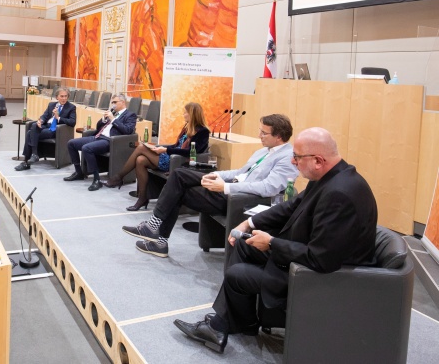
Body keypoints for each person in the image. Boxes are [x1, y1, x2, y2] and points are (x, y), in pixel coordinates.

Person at [173, 127, 378, 354]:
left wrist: (271, 243)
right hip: (305, 259)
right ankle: (241, 321)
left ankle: (219, 326)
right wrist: (249, 224)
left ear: (318, 160)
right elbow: (290, 207)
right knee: (243, 242)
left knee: (236, 274)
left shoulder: (340, 194)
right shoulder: (328, 177)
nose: (292, 161)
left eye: (298, 157)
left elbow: (320, 259)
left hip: (318, 278)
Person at [122, 114, 298, 258]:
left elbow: (268, 188)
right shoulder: (263, 151)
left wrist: (226, 187)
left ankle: (155, 229)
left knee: (179, 179)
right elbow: (240, 172)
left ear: (279, 137)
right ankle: (158, 239)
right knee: (178, 184)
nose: (260, 136)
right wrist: (216, 175)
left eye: (264, 133)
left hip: (239, 199)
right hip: (229, 187)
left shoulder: (287, 158)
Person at [107, 102, 210, 210]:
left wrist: (165, 150)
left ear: (192, 114)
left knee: (141, 148)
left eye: (185, 113)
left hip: (178, 161)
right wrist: (160, 148)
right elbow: (176, 145)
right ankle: (142, 198)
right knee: (140, 160)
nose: (183, 115)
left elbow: (191, 152)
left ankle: (119, 177)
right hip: (172, 155)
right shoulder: (187, 127)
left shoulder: (203, 131)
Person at [65, 94, 137, 191]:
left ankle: (96, 180)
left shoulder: (130, 115)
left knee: (86, 148)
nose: (113, 105)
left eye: (115, 102)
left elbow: (128, 130)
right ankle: (79, 172)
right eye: (112, 102)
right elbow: (98, 126)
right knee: (71, 143)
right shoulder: (113, 113)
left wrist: (113, 119)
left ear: (123, 102)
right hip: (98, 136)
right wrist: (103, 119)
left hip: (110, 141)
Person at [15, 88, 77, 171]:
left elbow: (72, 122)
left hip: (56, 130)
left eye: (66, 96)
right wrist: (40, 121)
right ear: (57, 97)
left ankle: (28, 160)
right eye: (62, 96)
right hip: (46, 126)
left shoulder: (71, 107)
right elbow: (44, 115)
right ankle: (34, 155)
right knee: (34, 125)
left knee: (30, 133)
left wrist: (58, 118)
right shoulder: (51, 105)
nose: (64, 98)